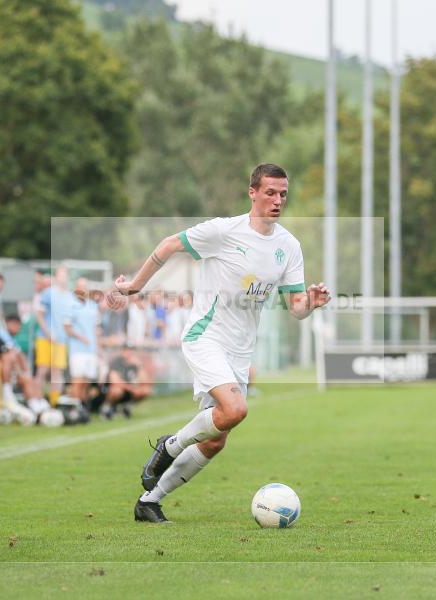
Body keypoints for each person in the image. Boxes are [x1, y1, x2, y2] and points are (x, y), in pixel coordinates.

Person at [112, 163, 331, 523]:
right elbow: (169, 245)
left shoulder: (289, 246)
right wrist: (136, 286)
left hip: (240, 350)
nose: (278, 200)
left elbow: (295, 308)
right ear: (253, 192)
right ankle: (170, 446)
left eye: (283, 194)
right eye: (270, 193)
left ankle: (149, 500)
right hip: (205, 336)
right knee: (236, 410)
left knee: (216, 439)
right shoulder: (223, 231)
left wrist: (311, 303)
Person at [34, 265, 72, 397]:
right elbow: (39, 314)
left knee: (57, 373)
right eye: (60, 274)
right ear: (56, 276)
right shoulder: (48, 293)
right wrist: (48, 333)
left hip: (61, 340)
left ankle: (54, 403)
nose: (63, 278)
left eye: (65, 275)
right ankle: (36, 401)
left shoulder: (69, 296)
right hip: (45, 338)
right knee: (42, 370)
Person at [65, 277, 99, 403]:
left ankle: (83, 407)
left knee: (86, 382)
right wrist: (81, 337)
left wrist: (97, 348)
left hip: (91, 349)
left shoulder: (92, 306)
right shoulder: (71, 305)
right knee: (78, 381)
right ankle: (75, 407)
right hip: (77, 349)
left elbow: (95, 329)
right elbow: (67, 327)